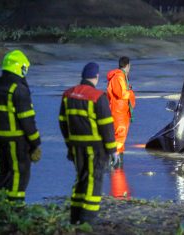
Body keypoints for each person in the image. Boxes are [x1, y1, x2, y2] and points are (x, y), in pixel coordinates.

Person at [59, 62, 119, 225]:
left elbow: (63, 123)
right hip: (95, 148)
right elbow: (106, 126)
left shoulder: (68, 95)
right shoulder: (98, 97)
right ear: (97, 77)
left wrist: (69, 145)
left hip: (76, 147)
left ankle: (75, 216)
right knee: (94, 181)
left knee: (81, 179)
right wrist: (113, 151)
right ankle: (88, 220)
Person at [0, 50, 41, 201]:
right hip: (17, 140)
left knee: (3, 171)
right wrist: (35, 143)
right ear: (20, 67)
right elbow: (27, 120)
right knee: (19, 172)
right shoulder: (19, 89)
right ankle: (16, 208)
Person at [106, 56, 136, 160]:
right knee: (119, 136)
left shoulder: (121, 76)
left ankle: (117, 163)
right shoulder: (119, 77)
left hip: (121, 111)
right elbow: (121, 94)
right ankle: (115, 161)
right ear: (128, 65)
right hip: (119, 112)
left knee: (119, 138)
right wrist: (131, 93)